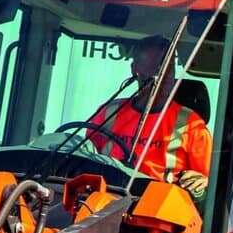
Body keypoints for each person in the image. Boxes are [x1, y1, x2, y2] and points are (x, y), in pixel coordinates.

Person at [86, 36, 212, 198]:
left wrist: (204, 181)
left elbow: (206, 183)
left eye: (170, 69)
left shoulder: (191, 125)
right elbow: (85, 159)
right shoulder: (108, 113)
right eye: (157, 69)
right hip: (103, 200)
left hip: (158, 212)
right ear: (135, 69)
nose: (165, 77)